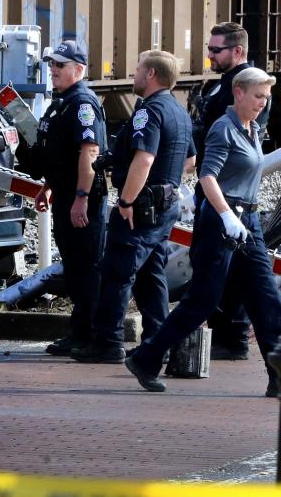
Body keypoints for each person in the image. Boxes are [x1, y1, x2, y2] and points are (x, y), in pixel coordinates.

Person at [126, 68, 281, 394]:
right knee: (203, 300)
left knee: (265, 296)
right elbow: (207, 176)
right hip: (222, 221)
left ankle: (276, 374)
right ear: (238, 93)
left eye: (266, 98)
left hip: (247, 222)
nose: (262, 103)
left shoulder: (251, 127)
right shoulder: (224, 129)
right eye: (257, 96)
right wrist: (226, 215)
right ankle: (147, 357)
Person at [72, 50, 195, 363]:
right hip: (163, 207)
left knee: (116, 273)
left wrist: (127, 200)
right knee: (151, 274)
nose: (135, 73)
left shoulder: (149, 112)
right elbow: (190, 160)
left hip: (140, 209)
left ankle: (107, 342)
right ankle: (157, 341)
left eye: (138, 68)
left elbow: (145, 158)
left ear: (151, 74)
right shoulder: (179, 111)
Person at [192, 22, 266, 361]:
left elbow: (242, 138)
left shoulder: (247, 87)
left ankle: (232, 336)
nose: (209, 55)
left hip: (227, 195)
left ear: (237, 51)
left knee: (223, 270)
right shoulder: (224, 84)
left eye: (215, 50)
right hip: (219, 191)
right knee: (214, 267)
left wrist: (222, 207)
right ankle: (226, 334)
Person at [30, 41, 108, 355]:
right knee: (75, 267)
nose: (53, 70)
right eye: (51, 64)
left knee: (86, 267)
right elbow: (60, 153)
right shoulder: (62, 102)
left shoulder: (81, 103)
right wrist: (49, 186)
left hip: (82, 199)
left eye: (59, 65)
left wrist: (81, 197)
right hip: (65, 194)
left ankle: (90, 335)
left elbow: (89, 152)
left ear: (78, 69)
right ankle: (80, 332)